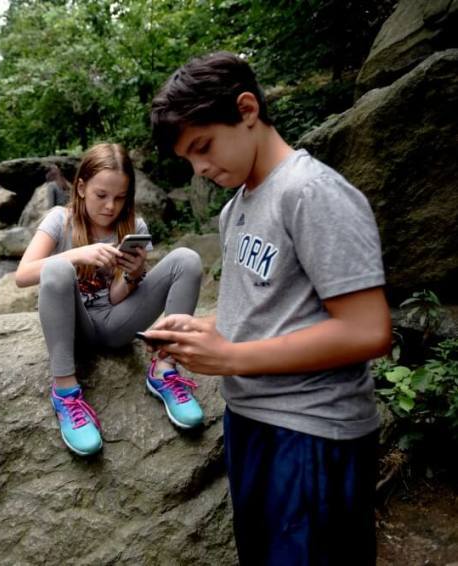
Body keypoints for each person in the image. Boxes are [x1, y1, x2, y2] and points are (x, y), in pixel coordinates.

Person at [147, 51, 392, 565]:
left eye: (204, 146)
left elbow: (368, 330)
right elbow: (270, 310)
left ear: (247, 109)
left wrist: (231, 358)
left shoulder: (310, 192)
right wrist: (204, 329)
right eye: (188, 159)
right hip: (250, 422)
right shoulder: (236, 207)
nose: (200, 168)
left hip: (313, 434)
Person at [15, 143, 204, 457]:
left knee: (187, 259)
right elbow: (23, 275)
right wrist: (78, 255)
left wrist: (132, 275)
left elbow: (115, 298)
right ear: (81, 187)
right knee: (58, 269)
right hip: (73, 330)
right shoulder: (58, 220)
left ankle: (164, 370)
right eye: (101, 195)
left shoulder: (134, 227)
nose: (110, 207)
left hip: (115, 325)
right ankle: (65, 392)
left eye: (120, 198)